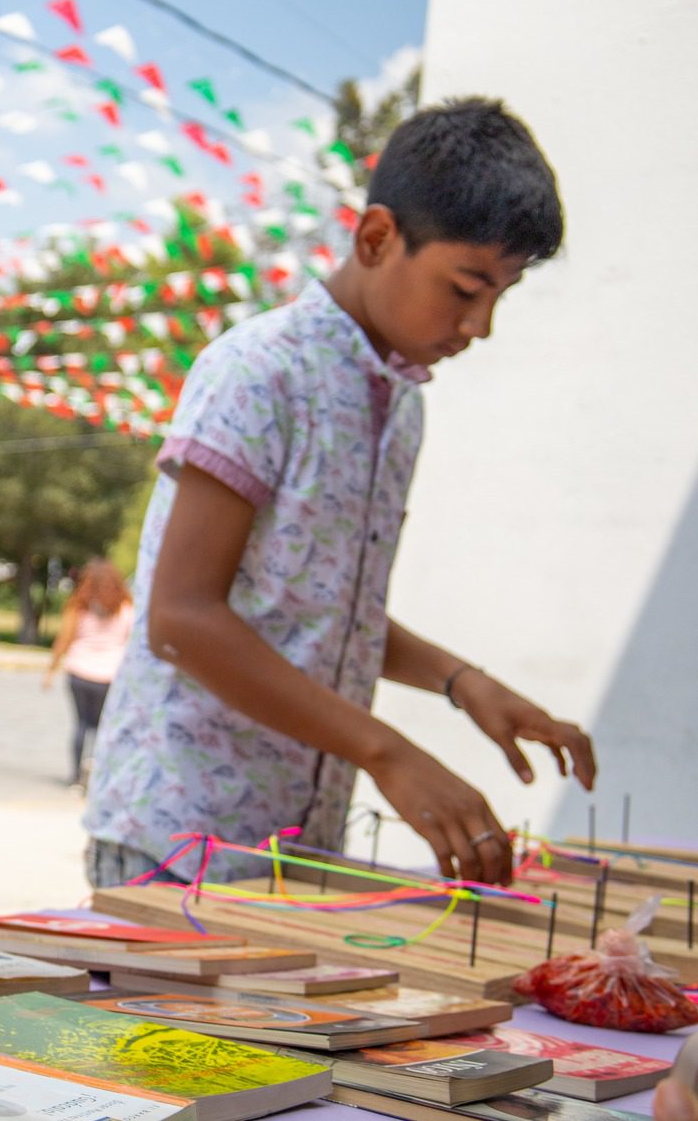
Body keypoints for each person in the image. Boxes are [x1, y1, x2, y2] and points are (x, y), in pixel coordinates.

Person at [84, 98, 598, 891]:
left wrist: (464, 682)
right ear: (377, 237)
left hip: (296, 848)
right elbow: (184, 618)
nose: (481, 324)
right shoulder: (260, 372)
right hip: (175, 843)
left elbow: (318, 606)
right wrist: (387, 751)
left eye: (501, 294)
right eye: (465, 288)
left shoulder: (401, 404)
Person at [41, 558, 135, 788]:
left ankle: (75, 776)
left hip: (80, 671)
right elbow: (132, 643)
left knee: (82, 724)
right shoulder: (125, 608)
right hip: (110, 675)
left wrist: (50, 671)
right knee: (103, 727)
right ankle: (97, 774)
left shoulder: (79, 606)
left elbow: (65, 639)